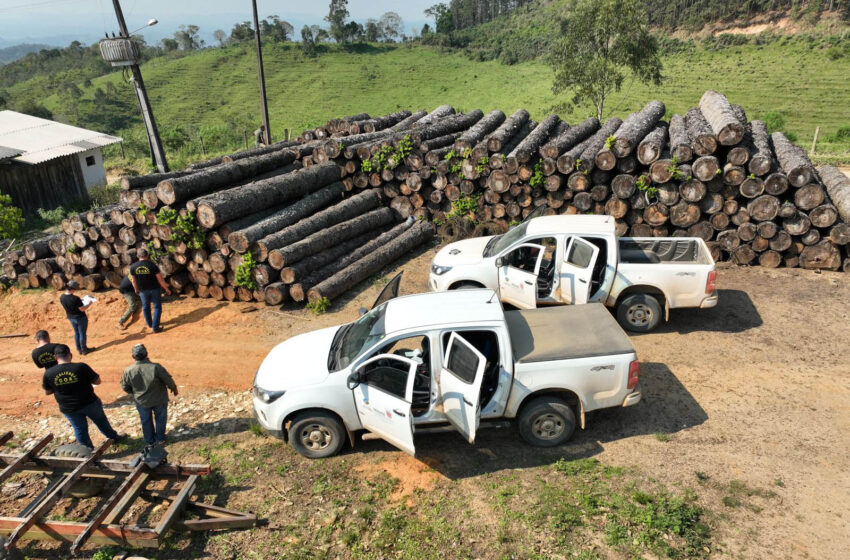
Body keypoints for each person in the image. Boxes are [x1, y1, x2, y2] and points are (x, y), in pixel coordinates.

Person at [43, 344, 123, 449]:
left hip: (68, 408)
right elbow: (97, 381)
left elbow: (47, 392)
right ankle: (114, 438)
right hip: (89, 402)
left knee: (79, 429)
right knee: (101, 421)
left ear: (55, 357)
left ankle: (87, 451)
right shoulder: (81, 367)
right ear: (70, 355)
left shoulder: (48, 373)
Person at [120, 344, 178, 446]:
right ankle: (160, 439)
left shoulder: (128, 371)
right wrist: (173, 388)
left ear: (133, 357)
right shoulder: (156, 367)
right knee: (160, 418)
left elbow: (125, 387)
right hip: (159, 399)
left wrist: (134, 393)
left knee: (146, 420)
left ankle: (149, 441)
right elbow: (167, 380)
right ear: (146, 354)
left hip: (141, 401)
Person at [130, 248, 172, 333]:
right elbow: (160, 279)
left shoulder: (133, 266)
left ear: (138, 256)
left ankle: (150, 324)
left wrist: (136, 289)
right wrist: (166, 289)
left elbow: (133, 280)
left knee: (146, 308)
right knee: (157, 307)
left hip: (142, 291)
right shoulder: (152, 265)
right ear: (147, 256)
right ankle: (155, 327)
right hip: (154, 289)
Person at [60, 281, 94, 355]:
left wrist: (79, 302)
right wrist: (89, 304)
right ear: (72, 289)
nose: (75, 290)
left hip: (71, 318)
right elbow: (82, 309)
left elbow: (71, 304)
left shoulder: (62, 297)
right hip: (80, 318)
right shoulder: (75, 298)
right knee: (82, 333)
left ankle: (79, 349)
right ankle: (84, 350)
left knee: (76, 333)